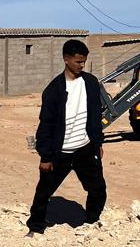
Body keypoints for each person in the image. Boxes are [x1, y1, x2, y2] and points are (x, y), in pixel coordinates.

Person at [26, 38, 106, 235]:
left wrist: (98, 143)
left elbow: (95, 115)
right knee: (43, 192)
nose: (82, 65)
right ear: (66, 59)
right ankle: (35, 227)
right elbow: (46, 124)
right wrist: (45, 156)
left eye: (84, 61)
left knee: (97, 189)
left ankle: (92, 221)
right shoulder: (54, 90)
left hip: (85, 149)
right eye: (78, 61)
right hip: (59, 153)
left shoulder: (91, 83)